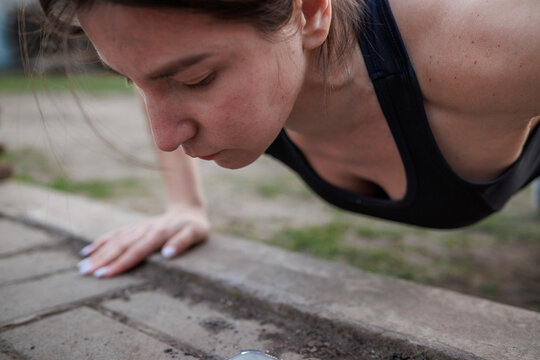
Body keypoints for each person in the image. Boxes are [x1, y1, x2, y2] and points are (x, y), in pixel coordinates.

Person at [38, 0, 540, 278]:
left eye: (196, 81)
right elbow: (158, 68)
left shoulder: (486, 44)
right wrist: (183, 204)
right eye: (131, 79)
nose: (166, 137)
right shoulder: (199, 58)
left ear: (311, 13)